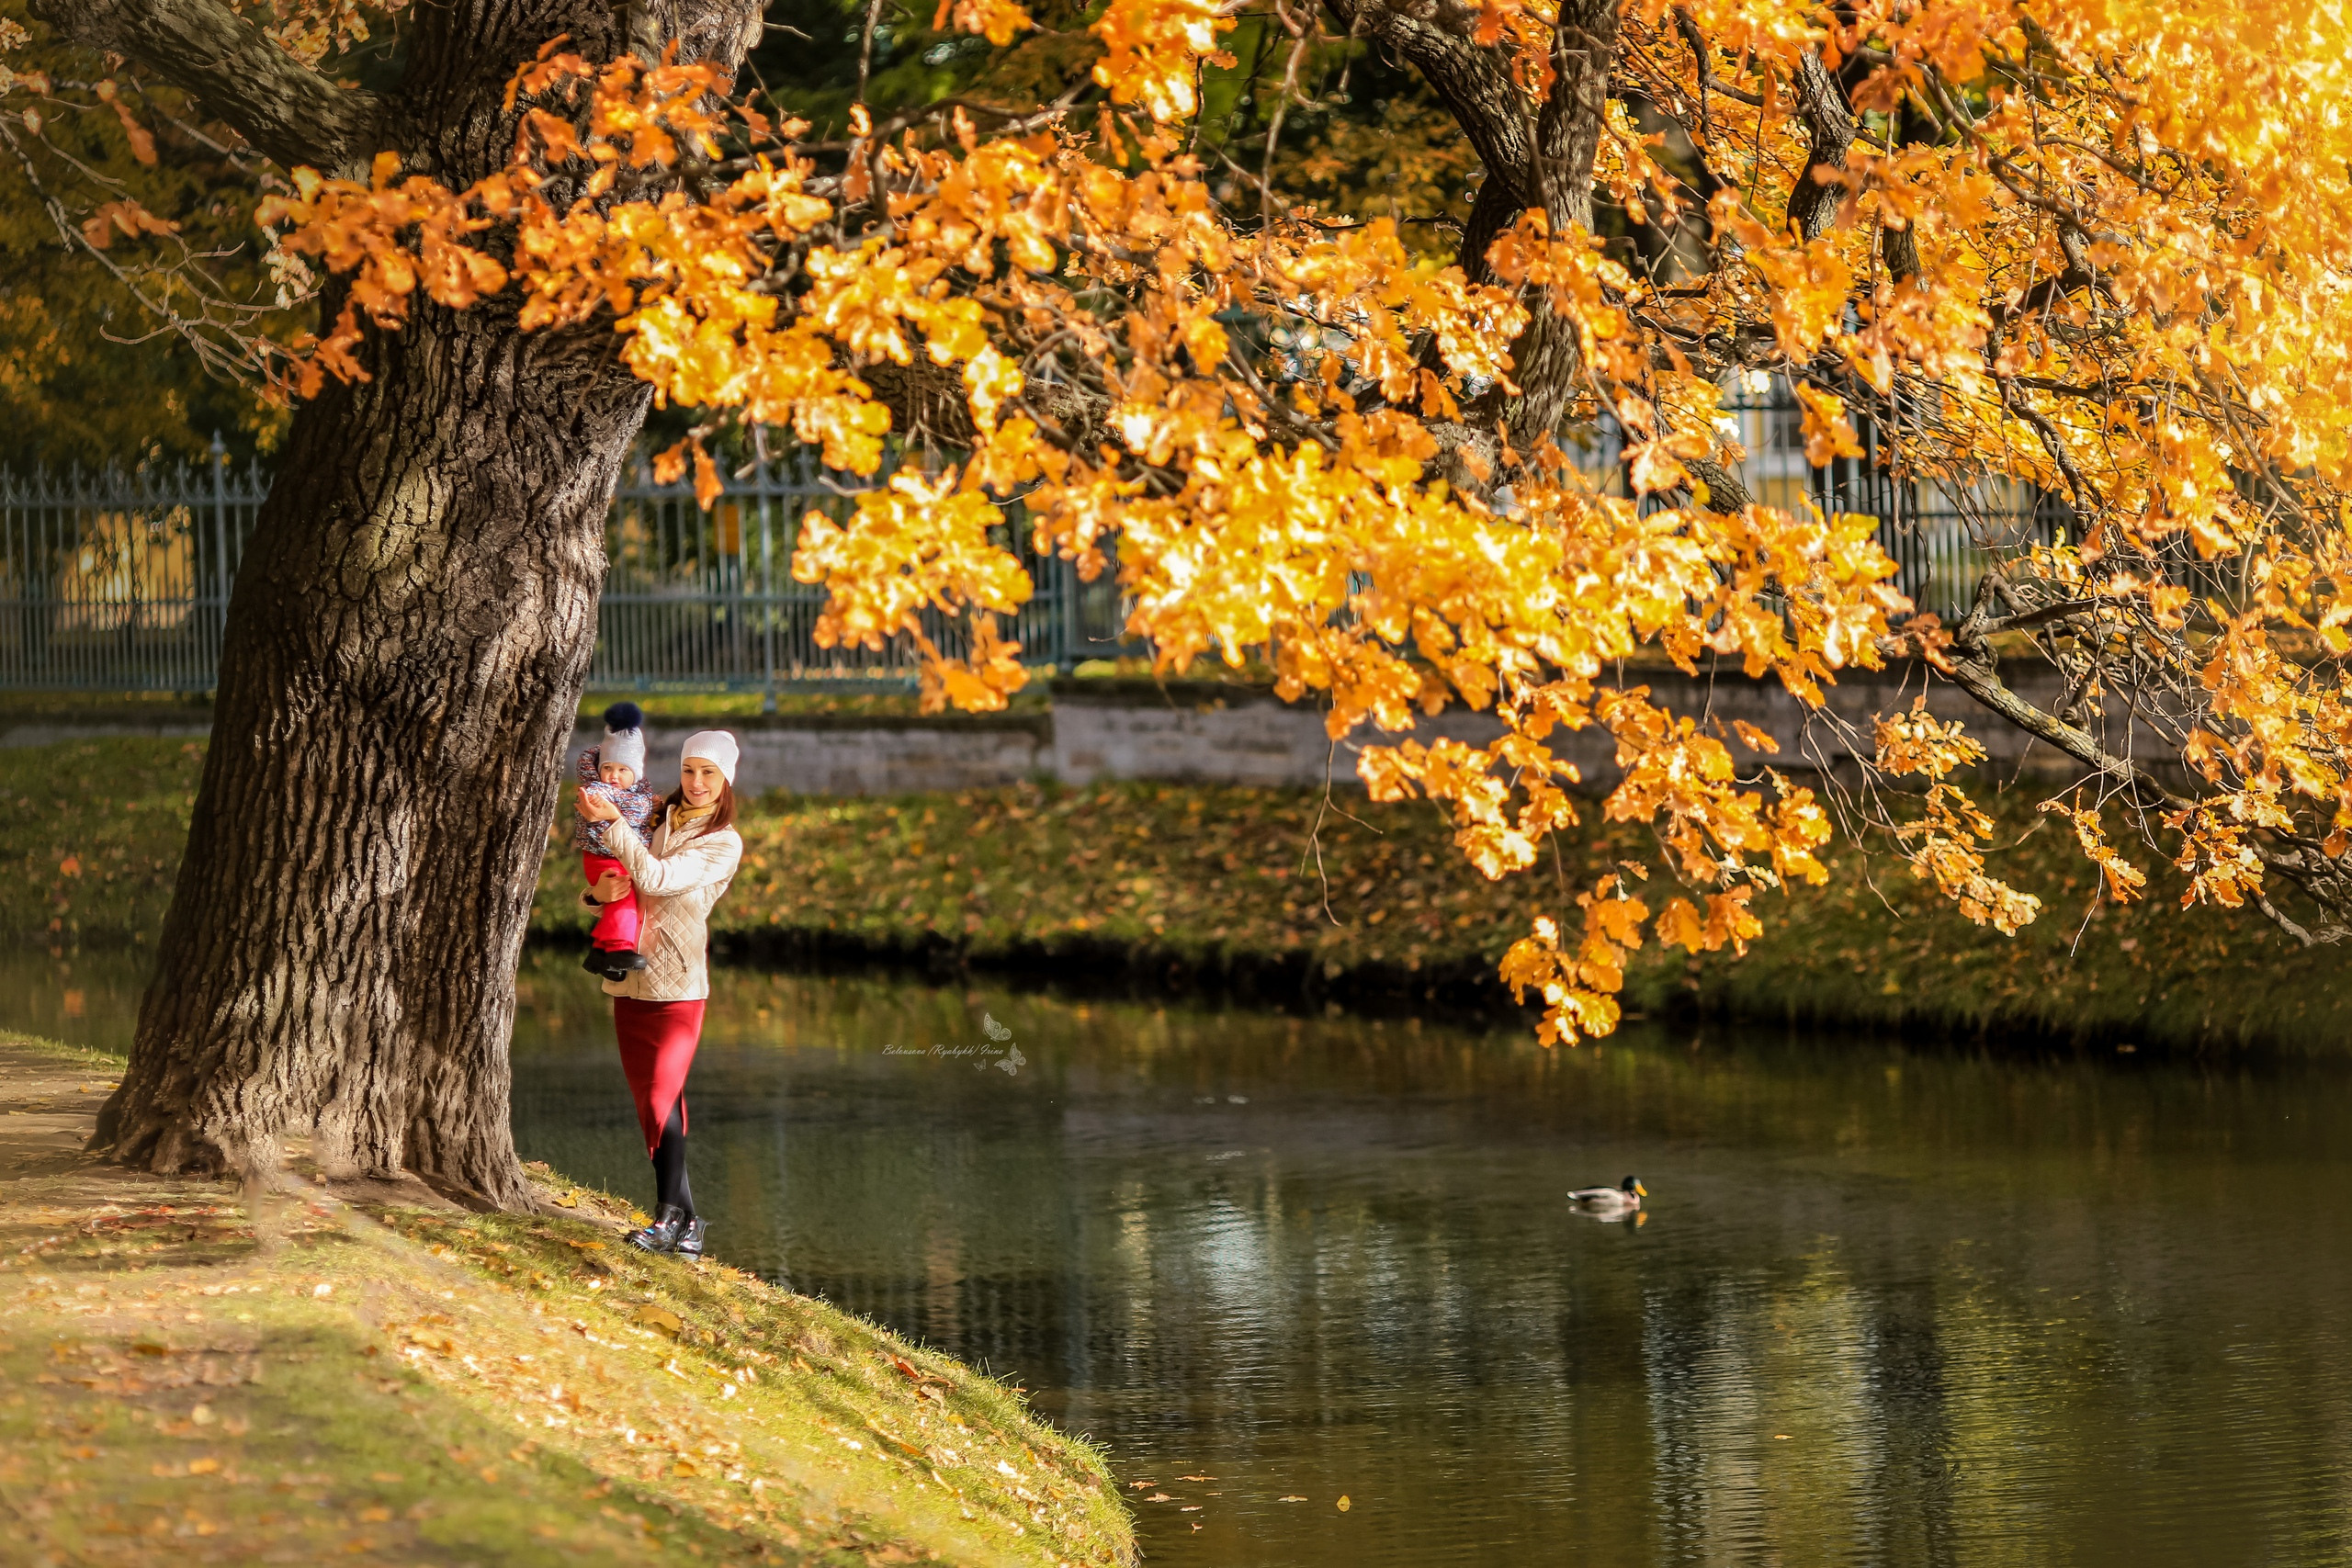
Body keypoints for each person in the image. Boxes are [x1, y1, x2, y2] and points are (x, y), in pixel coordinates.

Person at [575, 730, 744, 1258]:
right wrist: (593, 893)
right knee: (654, 1110)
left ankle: (668, 1217)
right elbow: (623, 878)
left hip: (678, 988)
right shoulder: (655, 816)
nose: (695, 783)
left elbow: (658, 876)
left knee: (661, 1096)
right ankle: (686, 1223)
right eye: (690, 770)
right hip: (631, 981)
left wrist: (611, 823)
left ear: (726, 781)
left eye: (708, 774)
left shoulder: (723, 842)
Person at [574, 702, 661, 981]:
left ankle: (600, 952)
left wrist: (651, 803)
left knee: (621, 898)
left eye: (623, 770)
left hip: (618, 855)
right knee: (622, 897)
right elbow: (631, 813)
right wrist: (649, 805)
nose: (613, 775)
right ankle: (618, 948)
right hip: (603, 856)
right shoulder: (598, 792)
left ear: (635, 773)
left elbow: (636, 809)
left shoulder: (639, 795)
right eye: (608, 767)